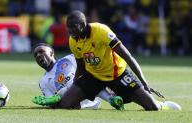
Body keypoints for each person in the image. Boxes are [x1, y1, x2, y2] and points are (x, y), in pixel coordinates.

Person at [33, 10, 181, 111]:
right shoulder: (73, 40)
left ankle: (163, 105)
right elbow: (81, 66)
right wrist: (73, 86)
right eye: (68, 29)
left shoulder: (102, 31)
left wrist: (144, 81)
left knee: (152, 108)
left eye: (73, 28)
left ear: (83, 25)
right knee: (64, 105)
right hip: (93, 76)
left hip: (117, 74)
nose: (70, 33)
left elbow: (128, 56)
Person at [32, 43, 124, 109]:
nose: (38, 55)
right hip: (73, 103)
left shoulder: (70, 58)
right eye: (35, 55)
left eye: (41, 51)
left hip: (91, 96)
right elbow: (49, 101)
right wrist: (50, 102)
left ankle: (112, 99)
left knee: (88, 77)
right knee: (61, 95)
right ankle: (61, 95)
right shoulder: (43, 82)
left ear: (52, 53)